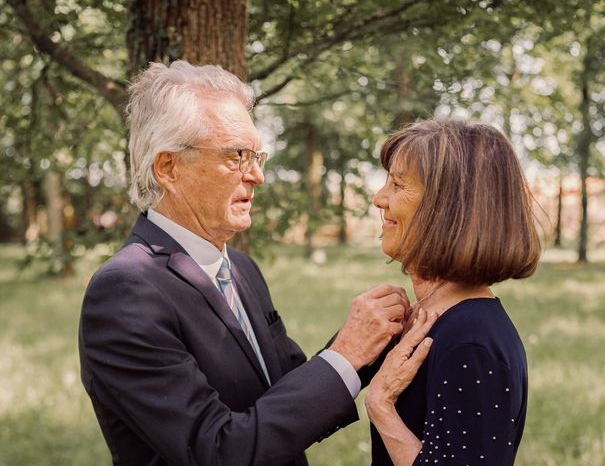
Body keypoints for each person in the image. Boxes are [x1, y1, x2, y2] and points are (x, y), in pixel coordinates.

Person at [78, 60, 410, 466]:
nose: (257, 176)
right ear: (168, 168)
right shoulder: (125, 292)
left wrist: (370, 344)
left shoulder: (240, 267)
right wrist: (345, 353)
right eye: (237, 156)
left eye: (257, 156)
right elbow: (219, 451)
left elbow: (285, 393)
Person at [364, 119, 541, 465]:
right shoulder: (429, 319)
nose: (379, 198)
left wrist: (380, 407)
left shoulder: (471, 341)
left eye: (398, 185)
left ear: (447, 211)